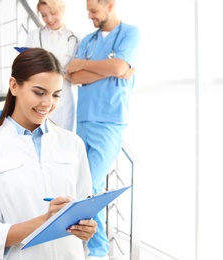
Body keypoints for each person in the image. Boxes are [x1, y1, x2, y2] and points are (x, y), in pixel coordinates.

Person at [0, 48, 97, 260]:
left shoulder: (72, 144)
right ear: (14, 86)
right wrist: (45, 220)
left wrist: (87, 229)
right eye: (39, 92)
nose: (48, 103)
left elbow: (84, 209)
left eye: (55, 95)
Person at [66, 0, 141, 259]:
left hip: (110, 121)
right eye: (87, 11)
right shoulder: (88, 39)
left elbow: (119, 67)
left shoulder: (130, 33)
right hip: (84, 119)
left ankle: (98, 251)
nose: (89, 16)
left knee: (92, 185)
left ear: (109, 5)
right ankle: (92, 248)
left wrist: (87, 65)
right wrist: (111, 69)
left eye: (93, 10)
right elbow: (73, 76)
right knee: (81, 185)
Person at [25, 0, 79, 132]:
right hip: (38, 94)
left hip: (64, 96)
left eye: (53, 13)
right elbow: (25, 65)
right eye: (43, 15)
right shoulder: (34, 35)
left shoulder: (75, 39)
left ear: (63, 10)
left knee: (63, 140)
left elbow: (76, 71)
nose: (48, 19)